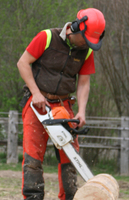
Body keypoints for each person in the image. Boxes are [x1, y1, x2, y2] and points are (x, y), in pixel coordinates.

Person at [17, 8, 105, 200]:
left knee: (70, 157)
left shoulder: (87, 50)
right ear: (75, 27)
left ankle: (70, 196)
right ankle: (33, 197)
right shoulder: (47, 37)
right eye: (86, 39)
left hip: (64, 105)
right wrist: (35, 92)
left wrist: (81, 111)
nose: (87, 44)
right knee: (33, 156)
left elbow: (83, 82)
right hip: (36, 104)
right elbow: (23, 63)